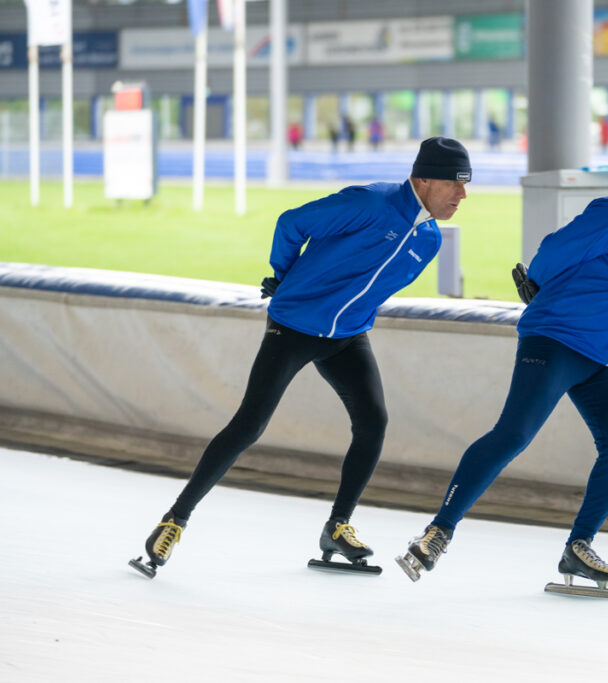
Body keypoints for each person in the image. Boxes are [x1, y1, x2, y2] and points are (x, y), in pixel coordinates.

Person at [130, 137, 473, 579]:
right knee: (249, 425)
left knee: (373, 422)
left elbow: (375, 288)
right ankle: (173, 520)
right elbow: (293, 222)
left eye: (466, 186)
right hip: (293, 327)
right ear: (423, 178)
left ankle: (338, 526)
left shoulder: (428, 239)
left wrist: (351, 316)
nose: (462, 195)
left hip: (346, 337)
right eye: (454, 185)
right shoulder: (372, 203)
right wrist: (284, 274)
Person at [397, 134, 608, 589]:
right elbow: (554, 249)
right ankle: (437, 532)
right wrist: (537, 286)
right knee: (512, 435)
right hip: (555, 341)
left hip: (604, 356)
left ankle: (578, 548)